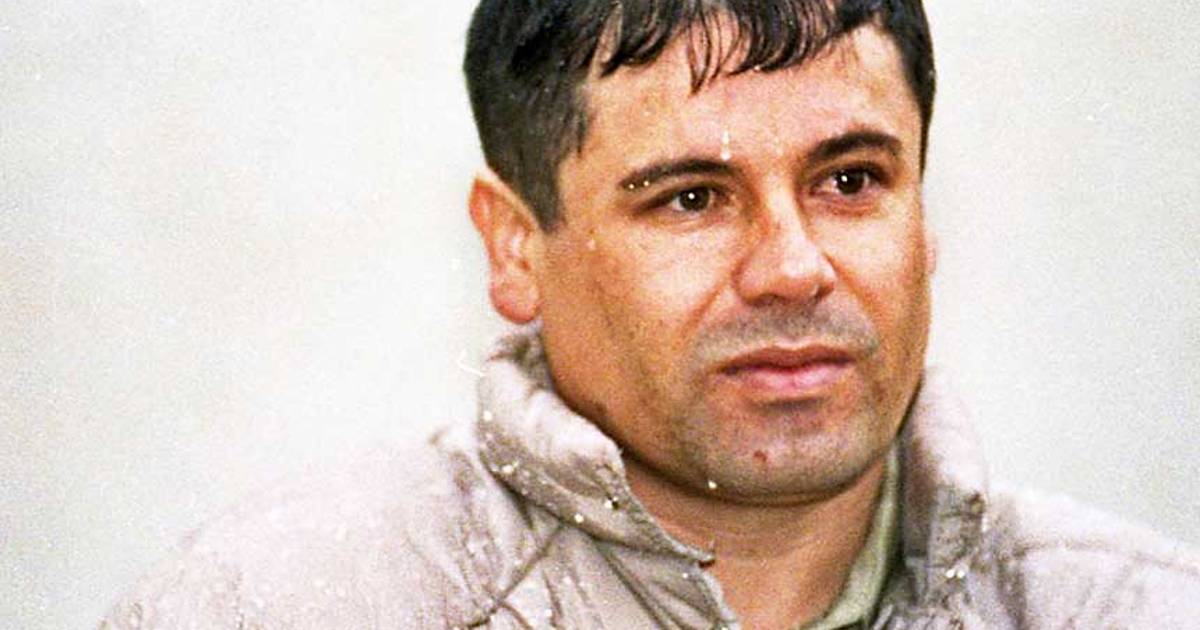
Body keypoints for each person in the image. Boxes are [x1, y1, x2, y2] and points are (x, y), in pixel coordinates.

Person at [102, 0, 1200, 628]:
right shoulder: (274, 608)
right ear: (516, 246)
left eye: (851, 180)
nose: (793, 268)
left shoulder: (1128, 610)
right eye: (691, 198)